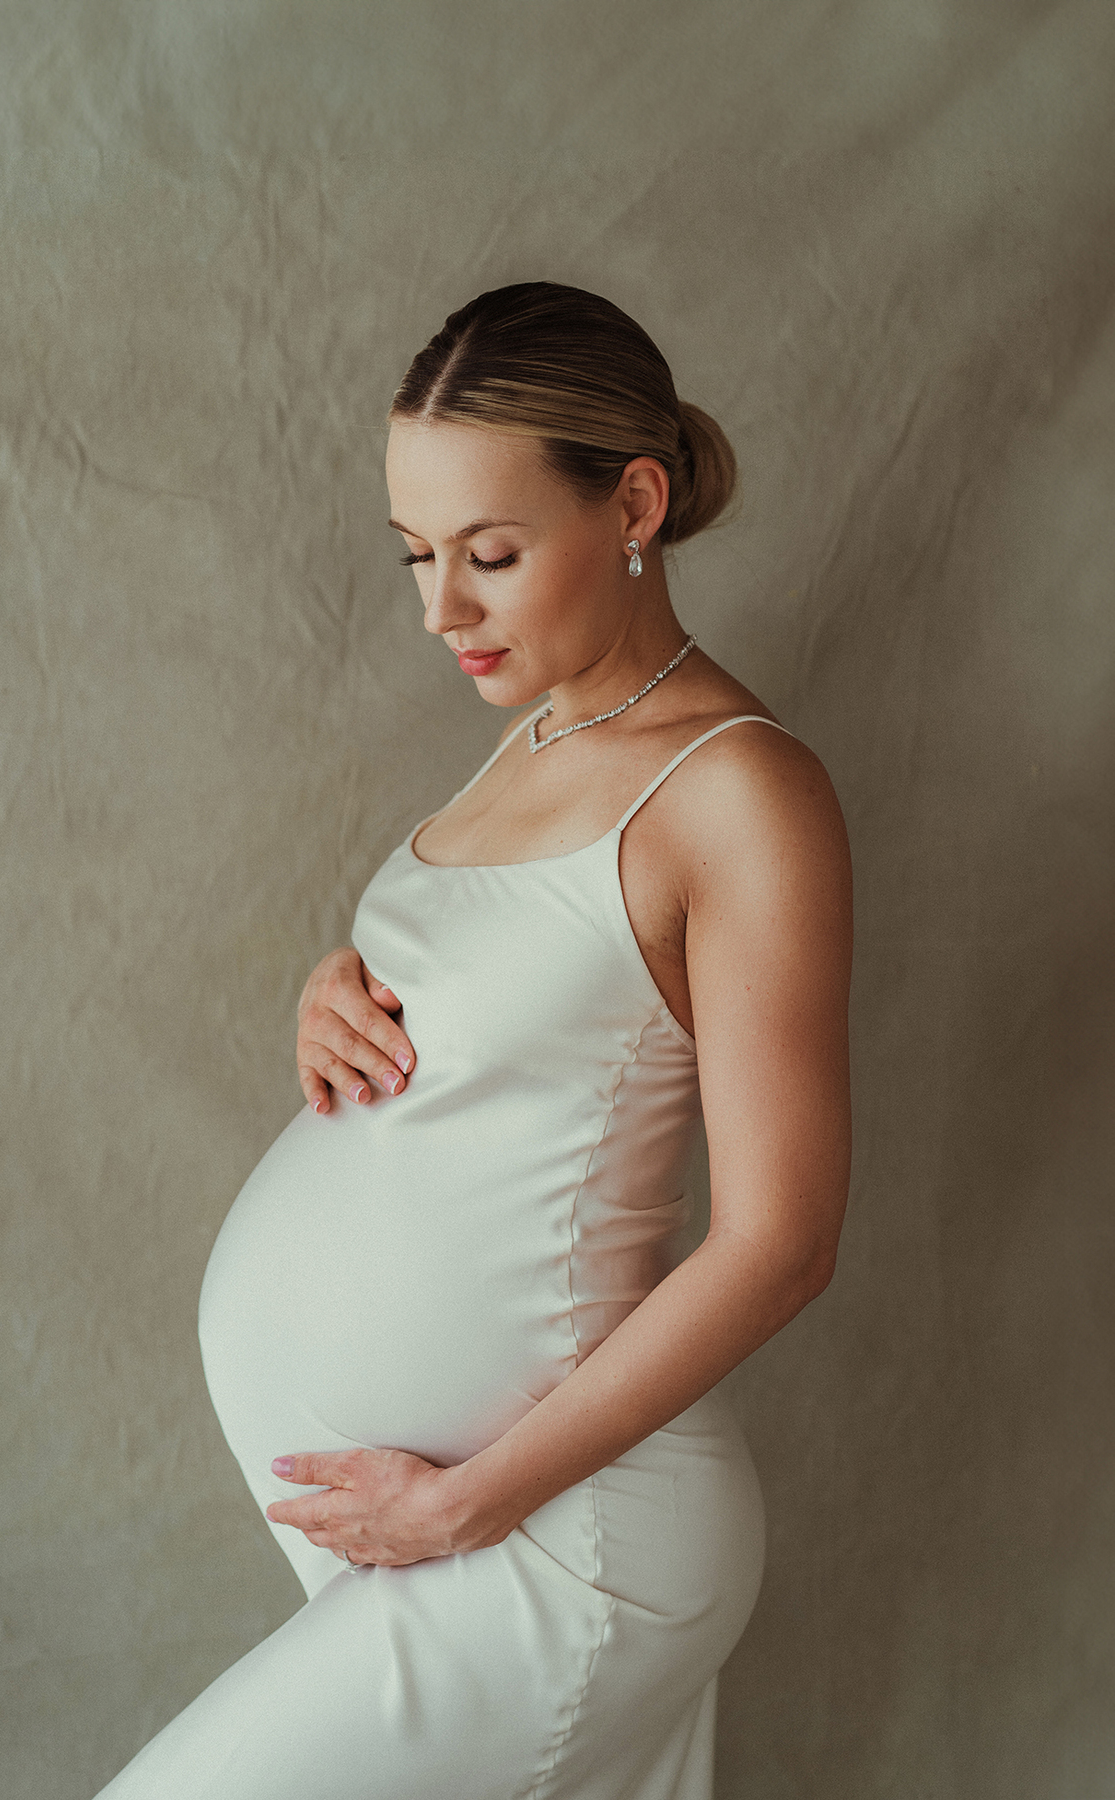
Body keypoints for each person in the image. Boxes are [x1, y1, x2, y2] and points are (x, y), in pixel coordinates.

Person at [96, 281, 852, 1798]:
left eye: (491, 555)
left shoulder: (737, 793)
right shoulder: (540, 736)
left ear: (634, 502)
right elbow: (532, 1018)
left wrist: (471, 1508)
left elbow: (781, 1241)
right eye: (418, 557)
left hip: (558, 1538)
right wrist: (340, 992)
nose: (442, 609)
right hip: (442, 1529)